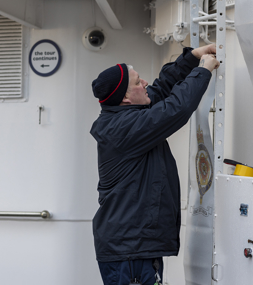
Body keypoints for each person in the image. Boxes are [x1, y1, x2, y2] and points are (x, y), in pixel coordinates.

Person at [90, 44, 219, 285]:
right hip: (130, 253)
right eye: (138, 82)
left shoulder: (124, 115)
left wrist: (192, 58)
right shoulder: (123, 128)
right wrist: (202, 71)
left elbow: (160, 89)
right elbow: (175, 109)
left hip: (132, 249)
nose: (145, 83)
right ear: (126, 98)